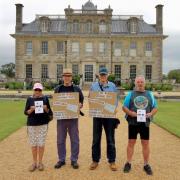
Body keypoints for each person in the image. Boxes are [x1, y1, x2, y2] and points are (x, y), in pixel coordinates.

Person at [122, 75, 158, 175]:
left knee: (145, 143)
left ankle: (146, 164)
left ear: (144, 83)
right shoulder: (130, 94)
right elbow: (124, 107)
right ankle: (128, 163)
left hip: (145, 123)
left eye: (141, 82)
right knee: (131, 142)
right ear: (135, 83)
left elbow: (155, 107)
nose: (140, 83)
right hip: (133, 122)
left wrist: (150, 114)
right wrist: (131, 113)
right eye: (138, 82)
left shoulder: (150, 94)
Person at [54, 68, 84, 169]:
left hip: (73, 118)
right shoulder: (57, 89)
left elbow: (81, 101)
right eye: (65, 76)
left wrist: (80, 105)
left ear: (71, 77)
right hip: (61, 118)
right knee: (60, 140)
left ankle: (74, 160)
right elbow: (55, 102)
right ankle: (61, 159)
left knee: (75, 139)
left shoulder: (77, 89)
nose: (67, 78)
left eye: (68, 76)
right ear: (62, 77)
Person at [89, 67, 118, 171]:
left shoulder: (113, 86)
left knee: (110, 138)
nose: (103, 77)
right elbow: (90, 99)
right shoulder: (93, 86)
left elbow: (115, 100)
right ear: (98, 75)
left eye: (104, 75)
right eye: (101, 75)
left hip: (109, 116)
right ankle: (95, 160)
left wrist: (113, 109)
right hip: (97, 115)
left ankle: (112, 160)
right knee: (96, 138)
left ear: (107, 75)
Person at [24, 82, 53, 172]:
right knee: (33, 144)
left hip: (43, 124)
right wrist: (31, 109)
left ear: (41, 90)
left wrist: (45, 108)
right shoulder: (29, 99)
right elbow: (25, 112)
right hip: (32, 124)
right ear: (33, 90)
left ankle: (40, 162)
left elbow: (49, 112)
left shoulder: (45, 98)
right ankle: (34, 163)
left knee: (41, 144)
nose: (37, 91)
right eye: (36, 89)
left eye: (39, 90)